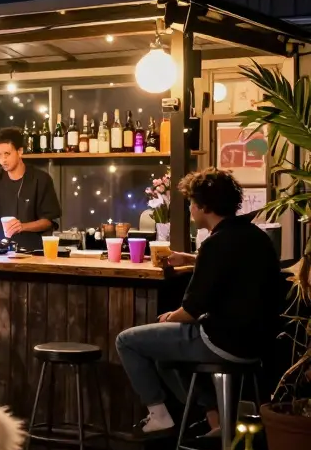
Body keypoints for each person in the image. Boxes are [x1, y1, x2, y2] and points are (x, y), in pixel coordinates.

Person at [116, 168, 283, 435]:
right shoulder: (254, 236)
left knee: (127, 340)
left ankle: (158, 415)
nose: (191, 209)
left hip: (222, 341)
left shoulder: (215, 244)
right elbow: (233, 267)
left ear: (204, 206)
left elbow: (192, 310)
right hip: (256, 345)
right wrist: (192, 259)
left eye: (192, 203)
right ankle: (216, 420)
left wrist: (169, 317)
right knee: (164, 355)